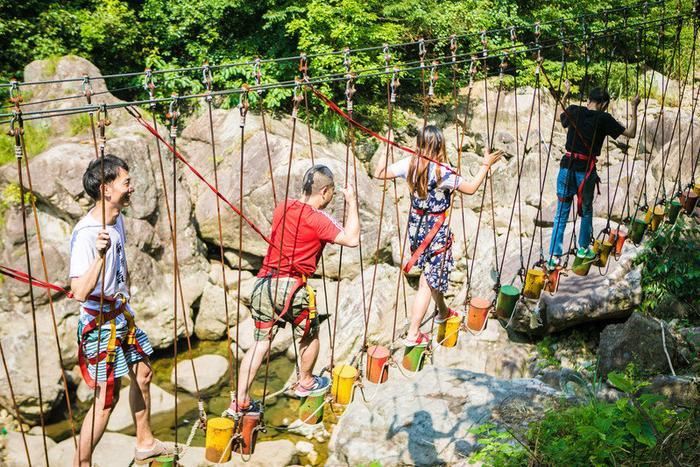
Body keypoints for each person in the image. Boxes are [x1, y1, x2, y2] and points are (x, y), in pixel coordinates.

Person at [226, 164, 360, 415]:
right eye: (331, 193)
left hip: (264, 283)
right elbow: (351, 239)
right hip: (292, 288)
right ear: (325, 191)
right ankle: (306, 381)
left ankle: (240, 401)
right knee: (310, 333)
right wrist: (352, 202)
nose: (331, 198)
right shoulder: (318, 218)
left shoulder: (282, 207)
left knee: (260, 344)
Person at [70, 155, 171, 466]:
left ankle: (145, 442)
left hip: (119, 316)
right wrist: (99, 259)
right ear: (106, 189)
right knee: (105, 400)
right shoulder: (87, 234)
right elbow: (78, 291)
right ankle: (81, 463)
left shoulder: (118, 220)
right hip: (99, 324)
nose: (132, 188)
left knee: (143, 373)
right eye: (126, 183)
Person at [374, 125, 503, 346]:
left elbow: (378, 174)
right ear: (440, 146)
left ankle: (442, 311)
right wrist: (485, 165)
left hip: (416, 228)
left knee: (430, 276)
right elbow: (471, 188)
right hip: (435, 232)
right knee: (427, 282)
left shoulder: (409, 164)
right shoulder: (442, 172)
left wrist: (386, 147)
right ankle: (414, 334)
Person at [547, 83, 640, 269]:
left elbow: (558, 115)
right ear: (604, 104)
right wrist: (634, 107)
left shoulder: (574, 110)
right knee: (586, 209)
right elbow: (630, 133)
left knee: (561, 213)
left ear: (588, 99)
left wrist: (565, 93)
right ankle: (582, 248)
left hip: (566, 168)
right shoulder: (604, 118)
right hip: (585, 172)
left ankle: (554, 257)